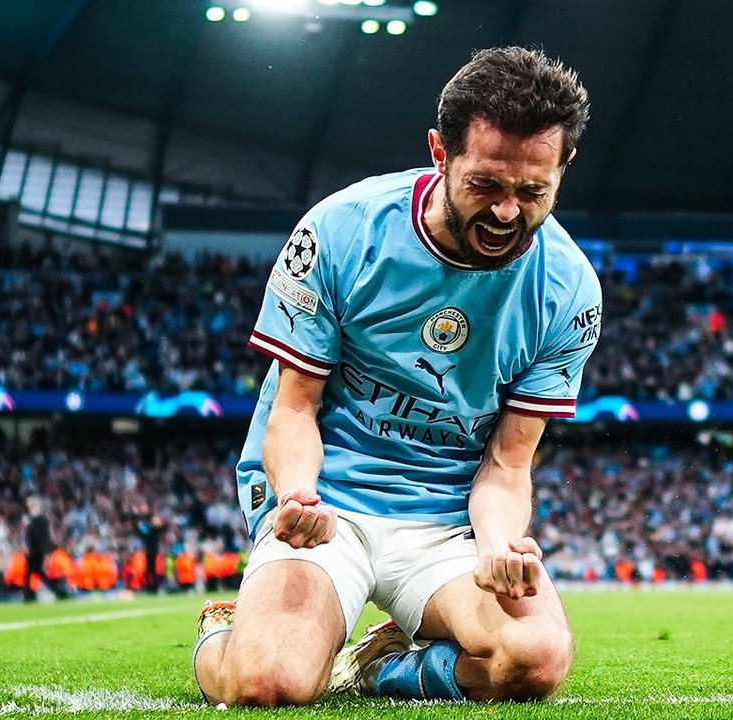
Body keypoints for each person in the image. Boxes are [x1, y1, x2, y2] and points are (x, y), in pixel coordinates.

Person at [192, 46, 600, 707]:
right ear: (440, 152)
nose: (506, 212)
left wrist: (499, 542)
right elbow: (293, 409)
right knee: (268, 684)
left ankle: (379, 666)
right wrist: (297, 495)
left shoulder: (569, 289)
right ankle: (223, 635)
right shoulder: (342, 231)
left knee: (535, 661)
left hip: (445, 521)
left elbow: (507, 463)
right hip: (327, 501)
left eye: (532, 192)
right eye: (486, 186)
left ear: (564, 166)